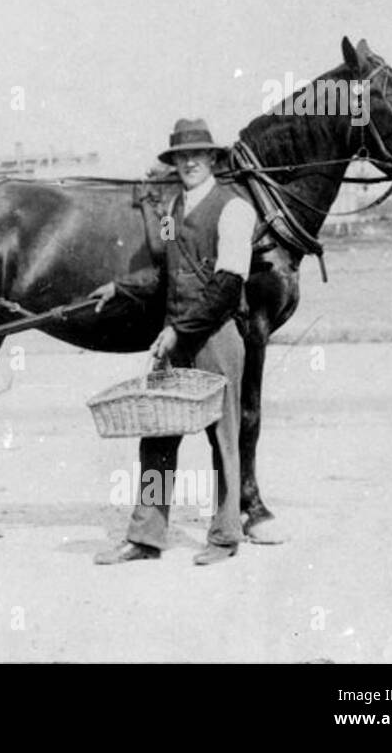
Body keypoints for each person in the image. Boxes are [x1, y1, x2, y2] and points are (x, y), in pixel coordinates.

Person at [85, 118, 255, 567]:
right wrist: (121, 287)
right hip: (175, 337)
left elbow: (226, 287)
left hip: (215, 338)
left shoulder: (235, 209)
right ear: (174, 162)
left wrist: (181, 330)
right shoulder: (171, 210)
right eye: (182, 156)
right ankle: (146, 537)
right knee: (157, 435)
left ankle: (224, 535)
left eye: (198, 155)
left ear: (214, 159)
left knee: (223, 438)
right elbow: (163, 272)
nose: (190, 162)